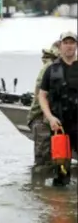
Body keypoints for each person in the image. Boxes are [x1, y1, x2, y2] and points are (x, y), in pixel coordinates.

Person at [38, 31, 78, 186]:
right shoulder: (51, 70)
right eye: (66, 43)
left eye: (72, 42)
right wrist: (50, 117)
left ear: (76, 45)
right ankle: (60, 205)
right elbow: (42, 96)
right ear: (60, 46)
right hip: (59, 125)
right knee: (61, 169)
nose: (69, 46)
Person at [27, 41, 60, 173]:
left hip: (53, 119)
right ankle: (39, 190)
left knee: (57, 161)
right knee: (44, 164)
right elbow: (40, 95)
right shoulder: (49, 68)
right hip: (41, 119)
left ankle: (47, 191)